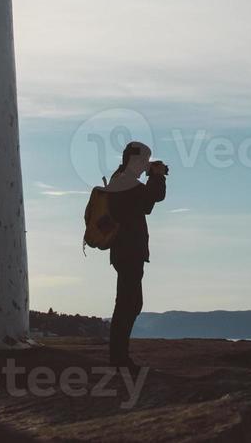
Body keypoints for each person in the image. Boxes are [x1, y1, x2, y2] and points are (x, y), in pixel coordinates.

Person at [103, 140, 167, 368]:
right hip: (129, 250)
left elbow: (145, 203)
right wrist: (157, 175)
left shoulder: (119, 180)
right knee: (127, 303)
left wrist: (152, 174)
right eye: (142, 161)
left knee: (130, 302)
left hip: (125, 251)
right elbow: (153, 198)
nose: (144, 166)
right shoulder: (124, 183)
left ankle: (119, 355)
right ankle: (119, 357)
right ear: (134, 160)